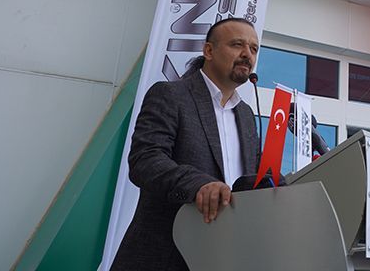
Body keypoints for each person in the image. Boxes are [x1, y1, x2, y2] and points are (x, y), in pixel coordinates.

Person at [111, 18, 261, 270]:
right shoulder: (170, 95)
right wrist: (198, 184)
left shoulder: (246, 115)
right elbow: (145, 160)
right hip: (164, 256)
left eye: (254, 48)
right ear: (209, 51)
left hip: (222, 258)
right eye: (237, 44)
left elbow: (247, 180)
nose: (247, 54)